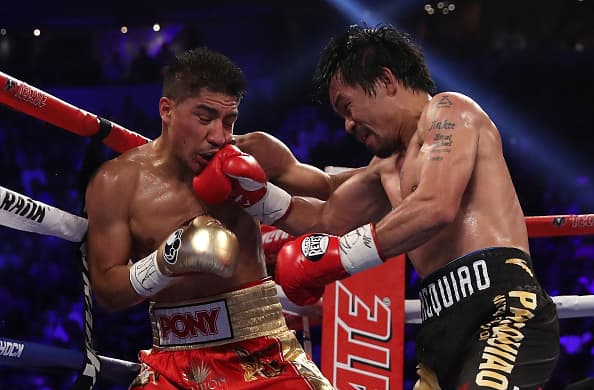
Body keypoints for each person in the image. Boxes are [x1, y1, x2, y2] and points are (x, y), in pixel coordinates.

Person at [194, 24, 560, 389]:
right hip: (440, 332)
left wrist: (343, 257)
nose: (349, 124)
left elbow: (435, 206)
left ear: (386, 80)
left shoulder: (450, 111)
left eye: (348, 107)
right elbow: (325, 217)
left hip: (500, 312)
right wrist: (258, 195)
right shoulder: (386, 168)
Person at [85, 47, 339, 389]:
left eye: (229, 120)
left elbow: (330, 188)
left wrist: (401, 164)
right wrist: (163, 263)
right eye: (205, 118)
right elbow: (107, 291)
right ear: (167, 110)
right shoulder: (116, 183)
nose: (220, 136)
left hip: (263, 352)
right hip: (173, 363)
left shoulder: (253, 153)